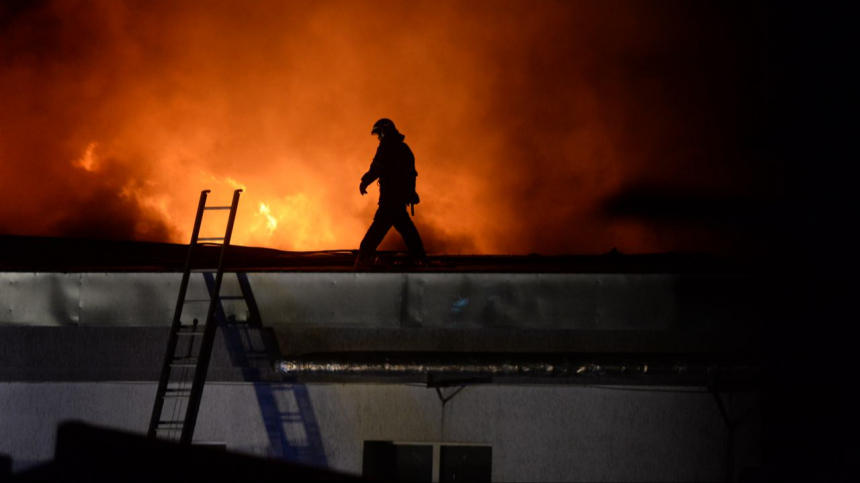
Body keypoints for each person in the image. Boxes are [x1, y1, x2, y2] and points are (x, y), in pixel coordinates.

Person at [355, 118, 426, 267]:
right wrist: (411, 192)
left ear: (385, 132)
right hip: (399, 198)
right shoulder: (404, 148)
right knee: (405, 226)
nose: (379, 139)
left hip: (390, 198)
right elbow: (411, 174)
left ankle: (364, 256)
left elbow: (376, 168)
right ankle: (419, 256)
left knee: (380, 226)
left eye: (379, 135)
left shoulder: (386, 147)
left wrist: (364, 182)